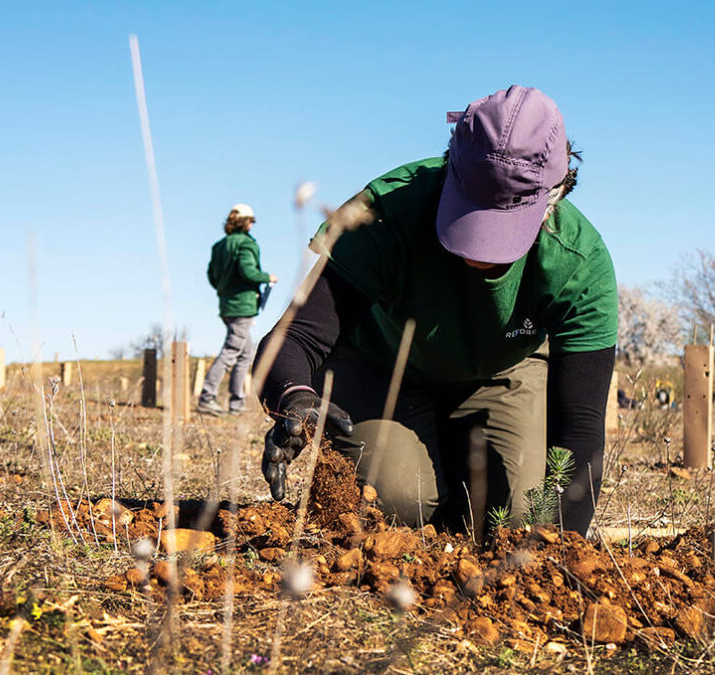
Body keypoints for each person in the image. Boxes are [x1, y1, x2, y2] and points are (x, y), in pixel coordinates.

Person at [255, 85, 617, 536]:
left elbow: (580, 427)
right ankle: (422, 462)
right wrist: (293, 397)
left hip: (498, 373)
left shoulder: (578, 262)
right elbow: (294, 338)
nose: (480, 249)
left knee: (520, 519)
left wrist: (562, 546)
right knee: (399, 503)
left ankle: (454, 455)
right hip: (381, 369)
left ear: (554, 198)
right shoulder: (386, 216)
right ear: (451, 167)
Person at [197, 203, 278, 416]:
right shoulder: (246, 245)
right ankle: (207, 398)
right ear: (245, 222)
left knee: (246, 353)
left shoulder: (219, 246)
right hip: (243, 305)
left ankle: (237, 404)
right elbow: (248, 272)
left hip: (227, 305)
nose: (252, 224)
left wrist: (224, 290)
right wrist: (267, 277)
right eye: (251, 221)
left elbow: (211, 276)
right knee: (231, 351)